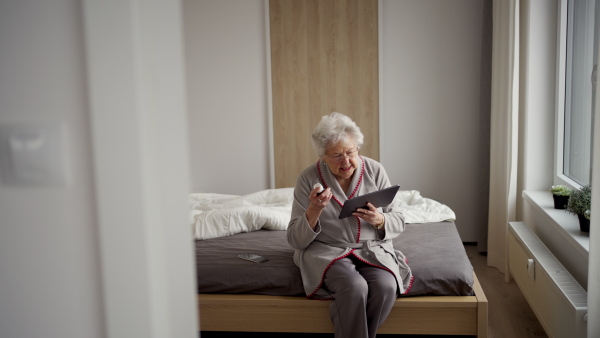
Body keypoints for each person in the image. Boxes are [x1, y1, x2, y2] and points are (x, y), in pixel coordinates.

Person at [287, 112, 413, 338]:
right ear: (323, 156)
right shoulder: (307, 179)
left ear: (358, 149)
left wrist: (380, 220)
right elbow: (295, 239)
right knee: (355, 288)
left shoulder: (375, 170)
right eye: (336, 155)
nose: (345, 161)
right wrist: (314, 209)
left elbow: (399, 220)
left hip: (372, 248)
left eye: (350, 152)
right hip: (327, 250)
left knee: (385, 288)